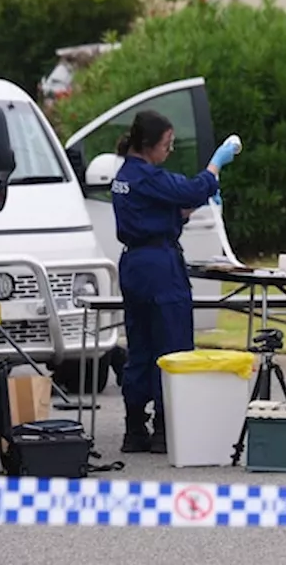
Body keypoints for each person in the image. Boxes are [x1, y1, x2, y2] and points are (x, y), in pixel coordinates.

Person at [109, 109, 240, 453]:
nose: (169, 151)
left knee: (140, 347)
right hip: (160, 266)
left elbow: (164, 207)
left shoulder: (125, 176)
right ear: (148, 145)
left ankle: (134, 427)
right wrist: (216, 167)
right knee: (172, 345)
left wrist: (189, 208)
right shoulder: (148, 176)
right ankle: (167, 428)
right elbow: (192, 187)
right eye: (167, 145)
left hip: (134, 265)